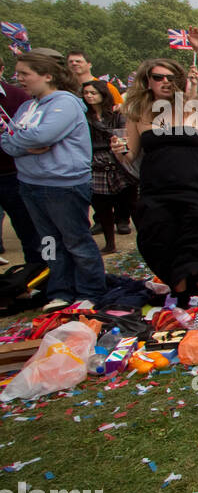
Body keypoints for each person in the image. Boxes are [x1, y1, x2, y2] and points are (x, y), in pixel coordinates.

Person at [116, 31, 198, 306]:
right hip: (157, 192)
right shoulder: (138, 114)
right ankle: (180, 298)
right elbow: (130, 157)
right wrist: (119, 153)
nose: (165, 81)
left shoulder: (193, 107)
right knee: (161, 241)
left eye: (170, 77)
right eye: (158, 77)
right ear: (148, 82)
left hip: (196, 188)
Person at [1, 52, 107, 309]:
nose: (20, 78)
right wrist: (25, 143)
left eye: (25, 73)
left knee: (76, 240)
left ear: (47, 75)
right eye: (19, 73)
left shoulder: (65, 103)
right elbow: (6, 140)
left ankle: (90, 291)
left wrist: (24, 141)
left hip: (63, 185)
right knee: (49, 242)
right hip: (30, 184)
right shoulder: (27, 106)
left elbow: (42, 136)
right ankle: (60, 290)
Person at [0, 56, 45, 270]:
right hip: (14, 163)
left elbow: (35, 136)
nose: (21, 78)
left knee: (31, 232)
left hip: (14, 174)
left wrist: (22, 145)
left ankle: (37, 274)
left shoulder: (19, 97)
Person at [82, 79, 132, 254]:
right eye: (86, 93)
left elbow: (123, 135)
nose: (89, 96)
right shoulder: (83, 116)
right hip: (95, 164)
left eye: (93, 92)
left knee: (130, 202)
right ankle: (110, 243)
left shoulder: (117, 114)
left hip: (118, 161)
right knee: (102, 207)